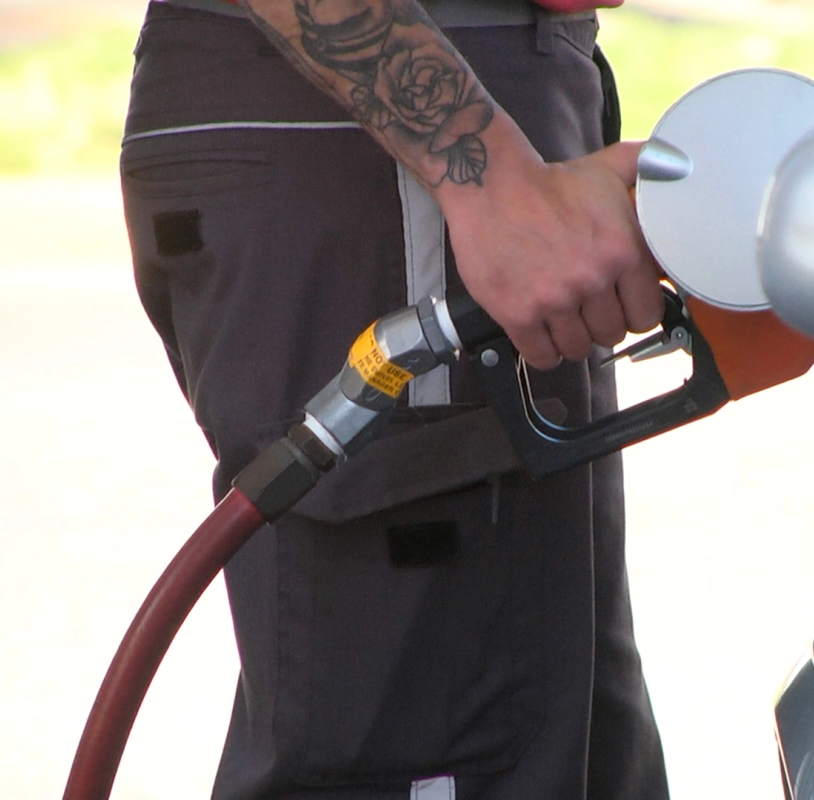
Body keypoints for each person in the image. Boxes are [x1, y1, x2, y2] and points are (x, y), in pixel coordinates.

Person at [119, 0, 669, 798]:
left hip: (431, 122)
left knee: (553, 735)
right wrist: (489, 174)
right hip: (391, 135)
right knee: (442, 740)